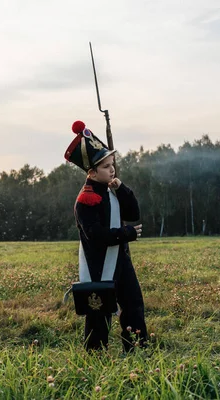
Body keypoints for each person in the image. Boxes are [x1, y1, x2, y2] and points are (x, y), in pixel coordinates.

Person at [64, 120, 148, 352]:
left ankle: (136, 349)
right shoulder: (87, 199)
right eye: (105, 166)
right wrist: (126, 234)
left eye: (112, 164)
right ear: (91, 172)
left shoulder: (112, 188)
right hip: (99, 265)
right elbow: (97, 236)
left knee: (133, 306)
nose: (112, 169)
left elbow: (133, 213)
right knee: (99, 311)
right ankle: (95, 355)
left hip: (122, 260)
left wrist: (121, 188)